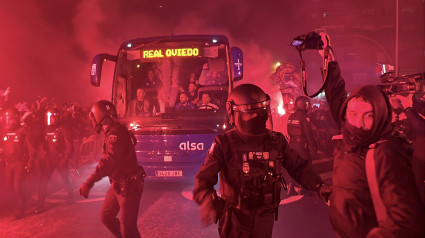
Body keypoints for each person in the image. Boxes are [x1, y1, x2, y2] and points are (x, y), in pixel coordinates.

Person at [193, 84, 330, 238]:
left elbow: (299, 168)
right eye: (249, 113)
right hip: (235, 218)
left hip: (265, 217)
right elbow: (203, 179)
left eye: (259, 112)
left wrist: (319, 186)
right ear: (233, 111)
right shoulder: (224, 143)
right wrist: (206, 200)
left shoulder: (276, 140)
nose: (255, 117)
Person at [321, 33, 425, 237]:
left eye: (368, 116)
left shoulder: (386, 152)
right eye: (353, 114)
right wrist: (327, 58)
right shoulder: (349, 132)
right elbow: (336, 96)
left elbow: (405, 222)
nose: (359, 123)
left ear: (379, 115)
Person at [79, 100, 145, 238]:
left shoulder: (117, 133)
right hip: (119, 184)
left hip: (129, 186)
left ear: (99, 116)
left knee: (128, 228)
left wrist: (89, 182)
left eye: (93, 117)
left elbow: (109, 161)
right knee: (106, 216)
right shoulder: (112, 131)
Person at [34, 108, 75, 214]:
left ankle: (71, 197)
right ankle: (40, 205)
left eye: (51, 118)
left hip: (60, 159)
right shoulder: (46, 130)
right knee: (43, 182)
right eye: (48, 118)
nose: (49, 120)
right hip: (49, 160)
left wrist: (65, 159)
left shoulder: (63, 130)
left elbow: (69, 146)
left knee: (66, 179)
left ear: (56, 118)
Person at [0, 108, 33, 219]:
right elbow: (3, 147)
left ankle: (20, 209)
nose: (8, 122)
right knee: (9, 186)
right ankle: (23, 201)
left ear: (16, 120)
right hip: (8, 164)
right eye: (6, 119)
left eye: (10, 119)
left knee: (17, 185)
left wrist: (30, 161)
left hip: (19, 162)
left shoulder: (22, 131)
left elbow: (31, 148)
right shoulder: (4, 132)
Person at [287, 96, 317, 162]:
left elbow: (288, 131)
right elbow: (308, 134)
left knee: (295, 164)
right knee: (306, 165)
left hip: (292, 144)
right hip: (302, 145)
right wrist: (313, 145)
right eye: (307, 104)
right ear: (303, 105)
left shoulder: (291, 116)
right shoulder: (304, 117)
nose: (308, 106)